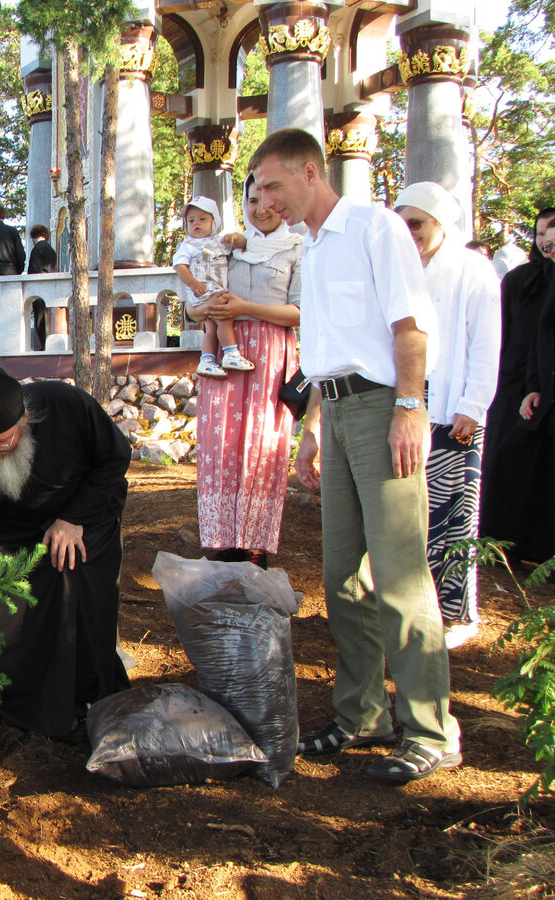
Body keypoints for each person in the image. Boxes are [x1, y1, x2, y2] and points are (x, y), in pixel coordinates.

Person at [251, 128, 460, 783]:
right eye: (259, 190)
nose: (267, 200)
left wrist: (409, 407)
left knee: (400, 573)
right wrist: (313, 427)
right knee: (343, 577)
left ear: (311, 172)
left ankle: (431, 728)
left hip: (381, 410)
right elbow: (324, 345)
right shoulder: (311, 246)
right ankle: (362, 714)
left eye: (274, 186)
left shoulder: (375, 227)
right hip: (337, 413)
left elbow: (410, 323)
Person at [0, 362, 132, 739]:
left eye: (2, 443)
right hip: (10, 521)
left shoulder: (67, 405)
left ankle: (76, 696)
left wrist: (73, 517)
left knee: (67, 563)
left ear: (26, 420)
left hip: (82, 511)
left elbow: (114, 459)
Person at [393, 183, 500, 649]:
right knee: (409, 513)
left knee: (455, 513)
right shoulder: (399, 266)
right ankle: (414, 607)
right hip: (407, 405)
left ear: (440, 222)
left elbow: (485, 342)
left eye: (416, 222)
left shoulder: (473, 268)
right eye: (402, 223)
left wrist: (473, 404)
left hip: (455, 407)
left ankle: (457, 614)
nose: (409, 232)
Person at [188, 174, 304, 569]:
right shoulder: (228, 248)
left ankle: (254, 546)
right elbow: (193, 301)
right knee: (220, 443)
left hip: (269, 356)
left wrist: (246, 309)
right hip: (224, 355)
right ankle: (221, 543)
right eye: (253, 200)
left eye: (271, 198)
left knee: (260, 444)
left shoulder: (297, 249)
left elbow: (299, 312)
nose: (262, 208)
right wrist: (202, 310)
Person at [481, 212, 555, 564]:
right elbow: (501, 333)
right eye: (540, 233)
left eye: (551, 233)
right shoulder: (519, 280)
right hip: (513, 384)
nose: (545, 240)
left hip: (543, 387)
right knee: (500, 462)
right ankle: (495, 544)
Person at [173, 196, 253, 378]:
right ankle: (231, 353)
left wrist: (236, 237)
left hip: (212, 289)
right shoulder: (188, 245)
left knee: (211, 327)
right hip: (205, 290)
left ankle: (207, 360)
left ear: (214, 221)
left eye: (202, 219)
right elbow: (180, 266)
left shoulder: (218, 241)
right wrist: (193, 283)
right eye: (191, 220)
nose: (196, 224)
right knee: (224, 317)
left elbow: (241, 244)